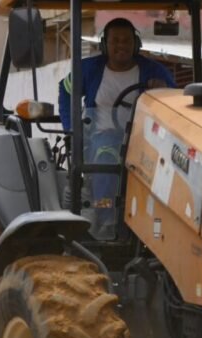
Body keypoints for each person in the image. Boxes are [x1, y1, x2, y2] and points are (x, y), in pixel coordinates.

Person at [59, 18, 176, 238]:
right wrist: (69, 129)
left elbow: (175, 98)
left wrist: (163, 89)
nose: (121, 45)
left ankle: (154, 226)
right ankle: (105, 215)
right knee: (107, 157)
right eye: (115, 40)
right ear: (105, 44)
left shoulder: (154, 71)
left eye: (126, 40)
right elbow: (65, 92)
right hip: (100, 139)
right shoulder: (90, 69)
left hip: (143, 141)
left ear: (136, 44)